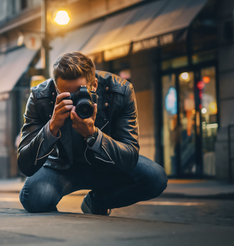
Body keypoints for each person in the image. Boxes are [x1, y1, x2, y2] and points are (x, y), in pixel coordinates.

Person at [17, 52, 167, 215]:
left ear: (94, 85)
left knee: (155, 177)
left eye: (78, 93)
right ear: (55, 87)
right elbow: (25, 165)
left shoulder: (121, 91)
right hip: (62, 166)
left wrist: (93, 135)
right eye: (66, 95)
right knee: (34, 197)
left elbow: (129, 156)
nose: (73, 101)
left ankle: (96, 201)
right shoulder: (40, 96)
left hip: (108, 165)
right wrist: (51, 128)